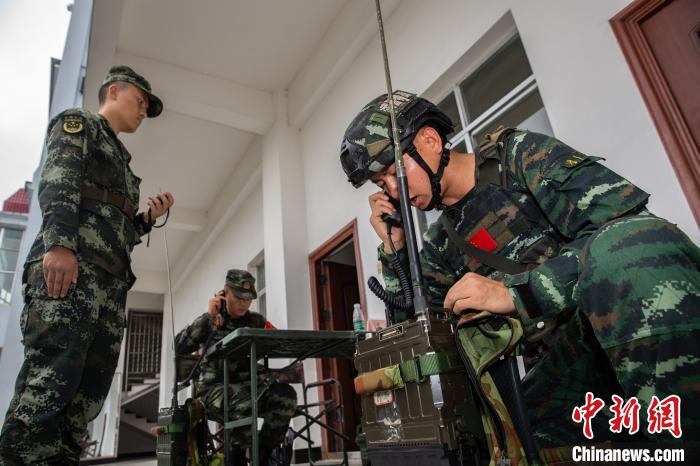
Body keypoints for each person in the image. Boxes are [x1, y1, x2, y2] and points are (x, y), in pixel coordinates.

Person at [339, 91, 700, 449]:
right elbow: (414, 345)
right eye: (380, 185)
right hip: (551, 388)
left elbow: (631, 235)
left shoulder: (520, 159)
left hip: (612, 338)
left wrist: (518, 293)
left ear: (430, 141)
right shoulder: (437, 247)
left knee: (629, 249)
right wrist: (394, 249)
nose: (390, 190)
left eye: (390, 174)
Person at [0, 65, 174, 465]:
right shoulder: (80, 125)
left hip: (108, 287)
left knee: (86, 394)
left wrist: (145, 219)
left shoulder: (124, 165)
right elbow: (59, 178)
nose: (144, 110)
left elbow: (118, 230)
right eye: (140, 100)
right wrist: (59, 246)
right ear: (114, 90)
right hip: (73, 274)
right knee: (50, 382)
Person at [174, 269, 297, 464]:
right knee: (244, 399)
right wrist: (208, 316)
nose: (244, 303)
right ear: (225, 293)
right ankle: (237, 461)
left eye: (248, 298)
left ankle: (263, 458)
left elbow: (278, 340)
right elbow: (179, 346)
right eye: (239, 297)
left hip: (247, 389)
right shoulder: (212, 319)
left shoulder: (255, 320)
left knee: (285, 396)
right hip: (212, 391)